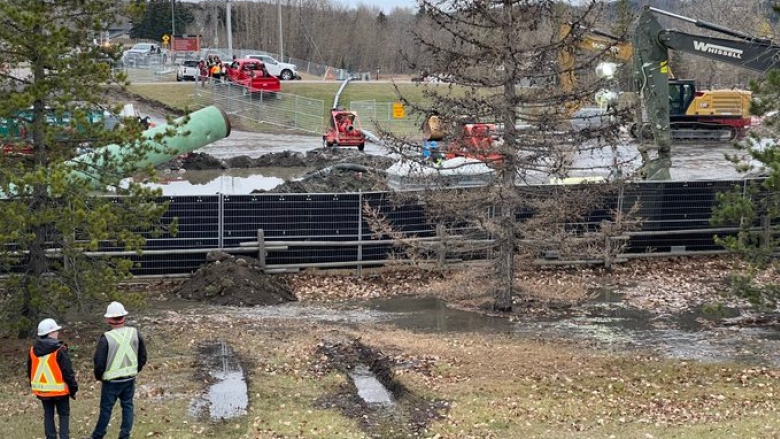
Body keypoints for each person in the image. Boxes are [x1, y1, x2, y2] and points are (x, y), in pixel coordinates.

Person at [88, 302, 147, 439]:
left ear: (108, 319)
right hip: (129, 378)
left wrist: (99, 376)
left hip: (111, 382)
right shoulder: (134, 333)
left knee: (106, 409)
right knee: (127, 407)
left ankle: (98, 435)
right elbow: (143, 356)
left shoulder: (106, 338)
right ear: (124, 317)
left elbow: (99, 363)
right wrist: (136, 369)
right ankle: (125, 434)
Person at [28, 318, 79, 439]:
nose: (58, 333)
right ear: (50, 333)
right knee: (64, 415)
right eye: (56, 331)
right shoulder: (60, 350)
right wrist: (73, 389)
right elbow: (68, 372)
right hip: (60, 392)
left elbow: (29, 372)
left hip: (42, 392)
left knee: (48, 415)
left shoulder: (32, 351)